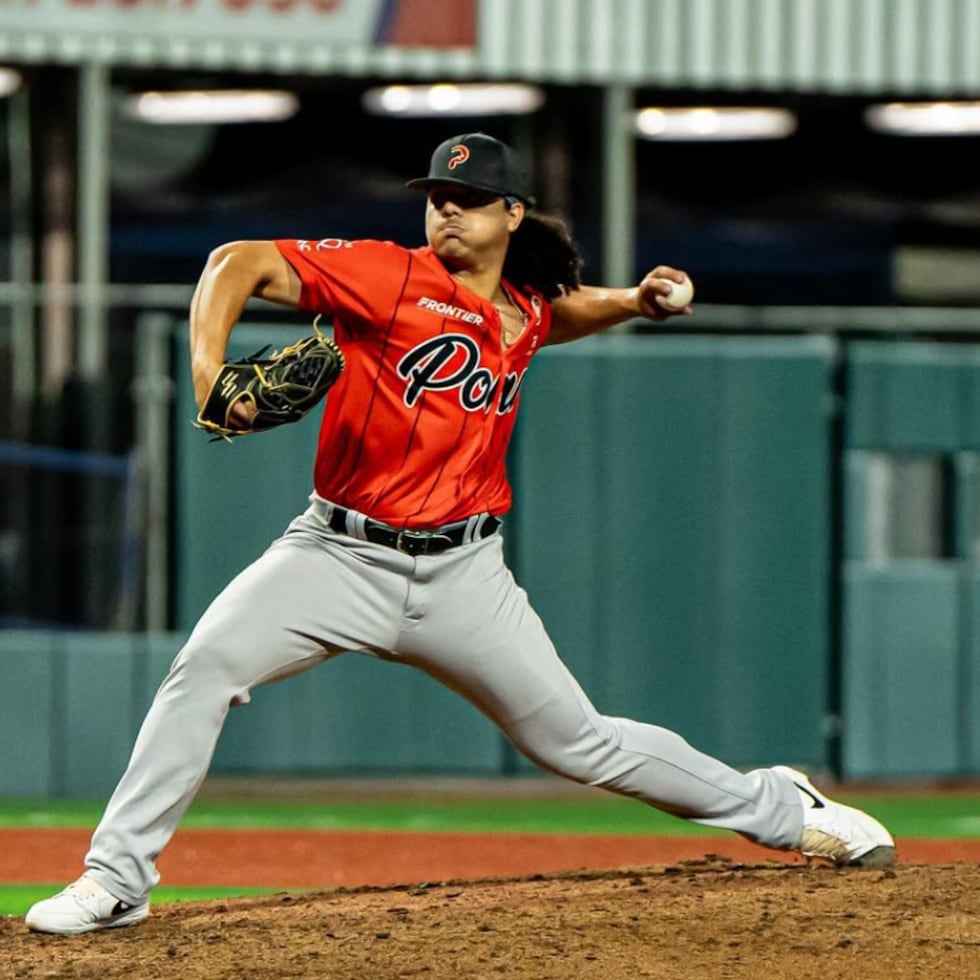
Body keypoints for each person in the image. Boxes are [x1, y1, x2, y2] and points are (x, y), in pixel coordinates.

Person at [26, 132, 894, 935]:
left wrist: (632, 302)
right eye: (437, 194)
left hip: (465, 578)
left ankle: (785, 807)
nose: (445, 208)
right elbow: (235, 260)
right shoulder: (384, 275)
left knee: (578, 743)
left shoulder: (522, 309)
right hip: (335, 554)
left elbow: (561, 313)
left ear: (511, 214)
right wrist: (210, 369)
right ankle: (117, 880)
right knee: (204, 667)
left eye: (468, 196)